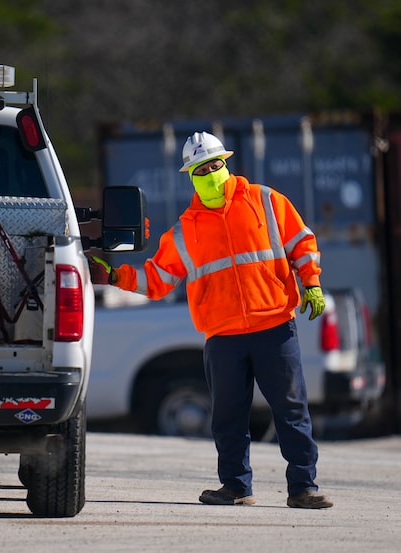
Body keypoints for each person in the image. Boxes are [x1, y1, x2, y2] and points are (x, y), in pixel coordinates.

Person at [89, 131, 333, 509]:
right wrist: (114, 277)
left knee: (291, 409)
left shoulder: (266, 201)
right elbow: (157, 280)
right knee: (228, 417)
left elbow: (302, 243)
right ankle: (236, 487)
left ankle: (304, 487)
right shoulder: (186, 230)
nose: (211, 173)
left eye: (215, 164)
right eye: (201, 169)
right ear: (191, 176)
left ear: (227, 163)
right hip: (223, 336)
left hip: (273, 327)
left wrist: (312, 284)